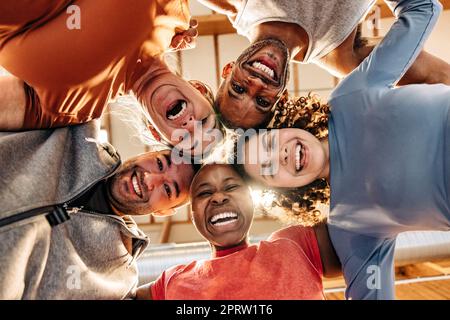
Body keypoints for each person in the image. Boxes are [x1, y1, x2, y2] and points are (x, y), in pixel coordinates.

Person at [238, 0, 450, 299]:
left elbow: (423, 9)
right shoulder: (350, 224)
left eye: (270, 144)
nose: (280, 155)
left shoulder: (351, 94)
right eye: (269, 169)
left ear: (285, 126)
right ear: (284, 191)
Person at [0, 120, 196, 299]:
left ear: (163, 212)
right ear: (147, 152)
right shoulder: (78, 128)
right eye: (160, 163)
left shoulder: (118, 279)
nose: (150, 179)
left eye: (168, 189)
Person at [0, 0, 218, 155]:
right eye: (204, 122)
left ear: (156, 133)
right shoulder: (173, 14)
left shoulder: (75, 108)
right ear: (199, 89)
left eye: (186, 140)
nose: (190, 125)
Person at [197, 0, 450, 128]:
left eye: (238, 89)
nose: (255, 85)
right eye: (262, 101)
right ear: (281, 98)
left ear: (228, 69)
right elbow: (437, 76)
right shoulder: (342, 56)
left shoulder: (240, 5)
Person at [136, 164, 341, 300]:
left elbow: (357, 218)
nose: (218, 197)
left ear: (251, 201)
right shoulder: (171, 281)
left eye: (232, 187)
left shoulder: (294, 246)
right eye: (205, 193)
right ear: (193, 215)